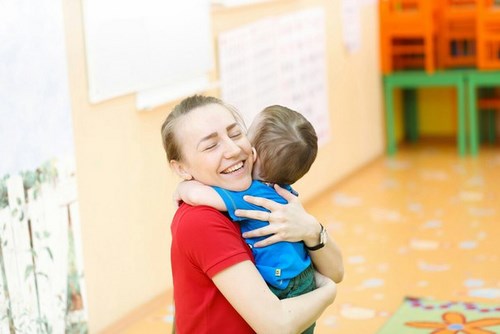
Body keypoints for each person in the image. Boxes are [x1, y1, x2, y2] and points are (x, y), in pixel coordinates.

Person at [161, 95, 343, 334]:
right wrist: (327, 293)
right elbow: (278, 325)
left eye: (236, 134)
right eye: (211, 145)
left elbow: (337, 270)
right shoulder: (201, 220)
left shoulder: (264, 192)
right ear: (181, 168)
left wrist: (311, 228)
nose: (234, 149)